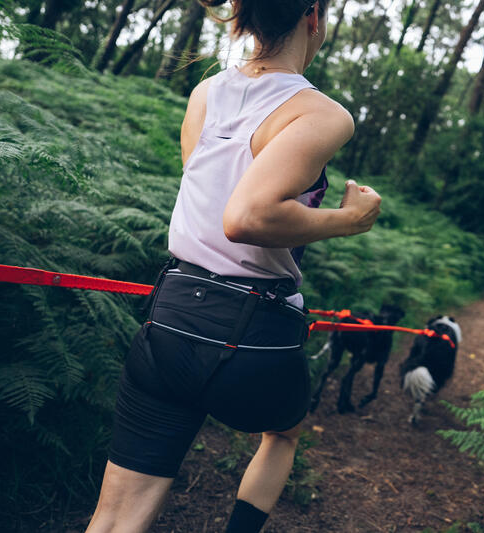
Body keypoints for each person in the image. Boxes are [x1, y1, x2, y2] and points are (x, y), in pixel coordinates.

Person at [85, 0, 381, 531]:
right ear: (313, 16)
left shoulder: (205, 93)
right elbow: (246, 216)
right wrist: (348, 219)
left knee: (115, 519)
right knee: (283, 433)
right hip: (254, 334)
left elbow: (209, 198)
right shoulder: (321, 114)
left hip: (170, 319)